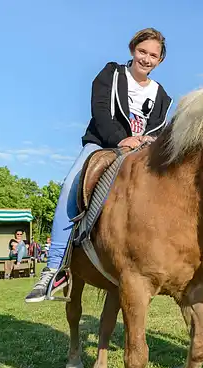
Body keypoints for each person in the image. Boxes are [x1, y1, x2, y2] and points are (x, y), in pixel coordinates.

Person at [24, 28, 173, 303]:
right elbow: (100, 111)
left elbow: (158, 131)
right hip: (104, 144)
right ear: (133, 50)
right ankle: (54, 268)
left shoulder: (161, 95)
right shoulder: (112, 74)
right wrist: (121, 139)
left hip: (141, 153)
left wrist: (145, 143)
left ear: (160, 61)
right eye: (143, 52)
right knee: (71, 184)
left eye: (153, 55)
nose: (147, 59)